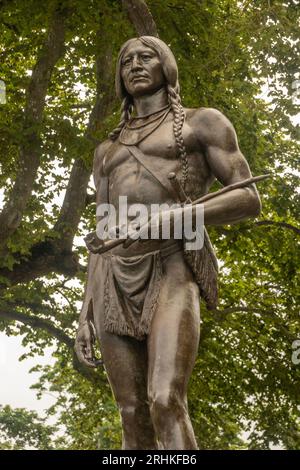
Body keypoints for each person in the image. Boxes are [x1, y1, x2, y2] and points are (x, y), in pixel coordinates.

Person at [75, 36, 261, 450]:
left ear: (167, 66)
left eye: (146, 57)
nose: (135, 65)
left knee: (164, 398)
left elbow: (249, 197)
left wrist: (178, 216)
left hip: (172, 264)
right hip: (112, 280)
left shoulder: (203, 123)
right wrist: (86, 309)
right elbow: (102, 228)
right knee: (129, 411)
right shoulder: (105, 150)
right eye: (126, 61)